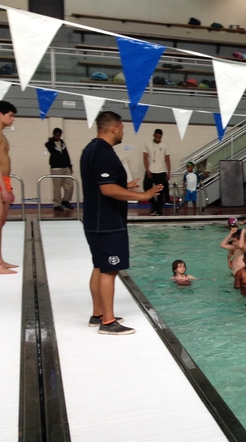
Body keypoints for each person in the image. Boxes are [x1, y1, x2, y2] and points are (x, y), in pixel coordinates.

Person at [81, 111, 163, 334]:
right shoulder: (105, 152)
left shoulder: (90, 149)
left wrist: (125, 185)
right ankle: (108, 322)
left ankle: (98, 314)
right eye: (123, 127)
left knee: (99, 266)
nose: (124, 131)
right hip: (108, 222)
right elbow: (107, 189)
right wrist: (144, 196)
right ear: (114, 128)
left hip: (93, 219)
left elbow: (100, 183)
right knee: (110, 269)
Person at [0, 101, 18, 274]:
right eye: (11, 115)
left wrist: (7, 186)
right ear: (0, 114)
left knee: (1, 222)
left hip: (4, 180)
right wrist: (3, 188)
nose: (12, 119)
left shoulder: (1, 134)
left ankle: (0, 259)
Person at [45, 127, 74, 211]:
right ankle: (56, 204)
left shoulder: (62, 143)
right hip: (56, 168)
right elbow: (50, 148)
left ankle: (65, 200)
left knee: (70, 186)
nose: (58, 137)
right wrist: (52, 140)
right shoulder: (49, 143)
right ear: (54, 134)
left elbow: (66, 154)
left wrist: (70, 166)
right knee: (57, 187)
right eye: (57, 135)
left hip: (66, 167)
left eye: (59, 135)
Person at [143, 128, 171, 215]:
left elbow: (167, 159)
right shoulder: (147, 144)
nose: (158, 139)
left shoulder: (165, 145)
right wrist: (147, 170)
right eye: (157, 137)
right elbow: (145, 158)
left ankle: (159, 211)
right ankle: (154, 206)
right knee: (146, 188)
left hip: (161, 171)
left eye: (160, 138)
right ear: (154, 135)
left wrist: (168, 172)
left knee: (160, 192)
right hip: (150, 171)